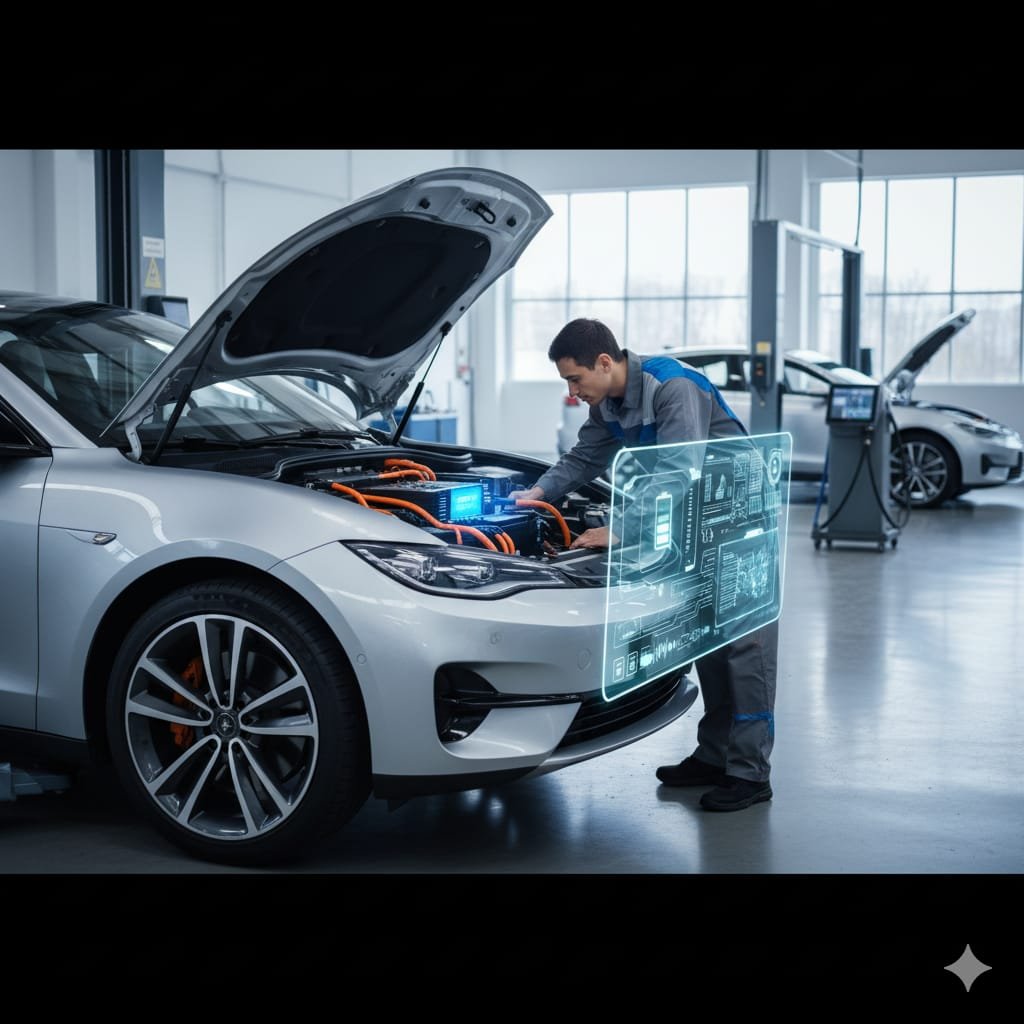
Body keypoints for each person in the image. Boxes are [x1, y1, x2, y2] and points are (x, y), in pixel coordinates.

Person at [511, 318, 778, 812]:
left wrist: (621, 530)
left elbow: (680, 469)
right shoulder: (608, 404)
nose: (572, 392)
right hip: (694, 520)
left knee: (744, 643)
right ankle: (715, 756)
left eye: (575, 379)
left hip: (740, 517)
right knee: (706, 634)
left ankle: (750, 773)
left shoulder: (672, 387)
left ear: (604, 362)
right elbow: (583, 458)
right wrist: (538, 493)